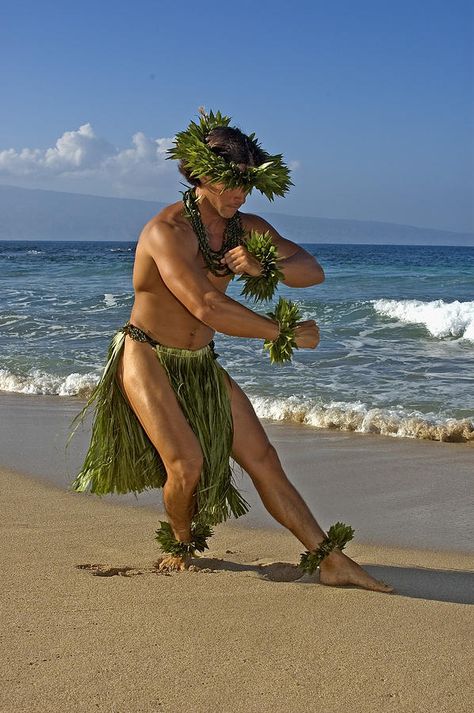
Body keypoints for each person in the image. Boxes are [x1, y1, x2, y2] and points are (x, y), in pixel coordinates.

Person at [72, 110, 392, 593]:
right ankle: (181, 543)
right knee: (187, 465)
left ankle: (329, 559)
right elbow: (206, 305)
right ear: (200, 173)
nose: (240, 194)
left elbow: (311, 269)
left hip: (201, 363)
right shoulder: (167, 232)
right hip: (148, 355)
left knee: (262, 456)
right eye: (231, 183)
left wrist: (266, 268)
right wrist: (280, 333)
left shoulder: (246, 227)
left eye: (247, 183)